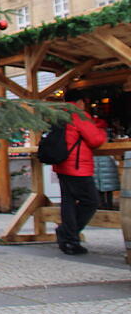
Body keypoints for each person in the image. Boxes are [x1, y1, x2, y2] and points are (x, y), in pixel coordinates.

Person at [53, 91, 107, 255]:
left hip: (62, 164)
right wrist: (103, 132)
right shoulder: (79, 115)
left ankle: (69, 240)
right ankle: (67, 234)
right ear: (81, 101)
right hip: (77, 166)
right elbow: (95, 140)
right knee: (91, 201)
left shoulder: (60, 115)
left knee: (68, 203)